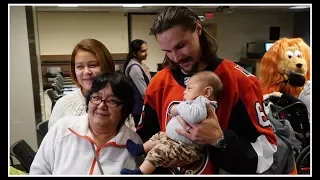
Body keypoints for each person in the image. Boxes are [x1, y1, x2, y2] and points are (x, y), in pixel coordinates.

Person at [136, 6, 278, 174]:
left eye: (181, 46)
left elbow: (266, 152)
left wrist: (220, 139)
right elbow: (145, 138)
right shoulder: (158, 83)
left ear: (198, 29)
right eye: (167, 51)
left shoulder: (240, 82)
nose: (175, 57)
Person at [30, 72, 143, 175]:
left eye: (112, 101)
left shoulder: (134, 143)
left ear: (125, 109)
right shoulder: (63, 129)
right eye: (96, 97)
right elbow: (39, 171)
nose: (101, 105)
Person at [121, 71, 222, 174]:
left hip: (185, 147)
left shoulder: (204, 102)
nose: (184, 91)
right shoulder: (196, 103)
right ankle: (140, 148)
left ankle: (141, 172)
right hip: (175, 141)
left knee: (159, 151)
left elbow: (194, 116)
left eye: (189, 88)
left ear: (207, 92)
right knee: (159, 136)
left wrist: (178, 107)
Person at [48, 38, 115, 129]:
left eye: (93, 65)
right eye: (80, 67)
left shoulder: (118, 103)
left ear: (107, 66)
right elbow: (52, 142)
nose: (86, 72)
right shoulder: (63, 105)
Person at [123, 39, 152, 127]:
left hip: (142, 106)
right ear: (135, 53)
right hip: (139, 107)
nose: (146, 53)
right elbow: (144, 92)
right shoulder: (135, 68)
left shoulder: (140, 65)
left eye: (146, 50)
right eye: (142, 51)